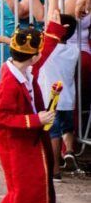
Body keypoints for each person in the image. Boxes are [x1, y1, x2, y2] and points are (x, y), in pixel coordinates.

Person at [0, 13, 66, 203]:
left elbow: (42, 55)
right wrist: (35, 121)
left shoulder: (23, 69)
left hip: (28, 140)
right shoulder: (9, 84)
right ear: (31, 57)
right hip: (15, 144)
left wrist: (54, 29)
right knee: (26, 189)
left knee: (29, 187)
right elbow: (2, 119)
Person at [38, 14, 80, 182]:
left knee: (53, 134)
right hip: (68, 99)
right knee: (67, 129)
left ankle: (55, 170)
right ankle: (69, 151)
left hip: (51, 98)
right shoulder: (74, 50)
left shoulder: (49, 50)